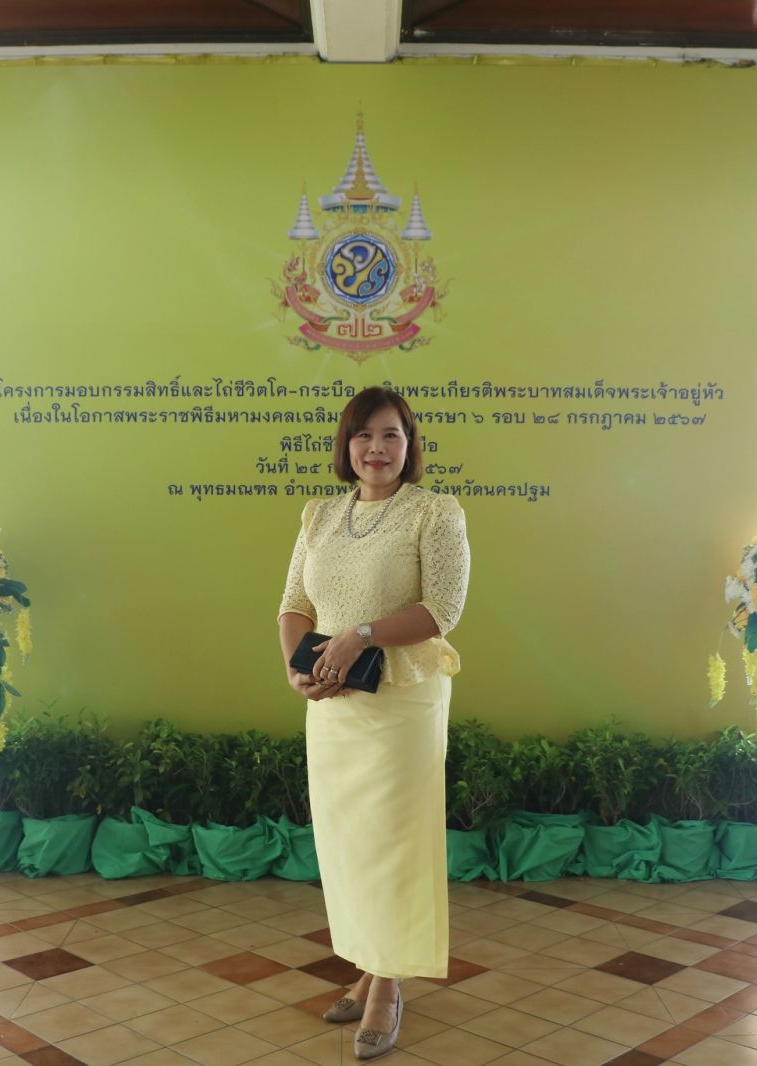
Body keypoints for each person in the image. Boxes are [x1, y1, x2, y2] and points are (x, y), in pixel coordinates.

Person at [277, 386, 470, 1062]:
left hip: (401, 701)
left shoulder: (435, 512)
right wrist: (296, 668)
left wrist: (360, 634)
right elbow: (295, 604)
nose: (377, 449)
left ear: (410, 444)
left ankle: (387, 985)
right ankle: (366, 965)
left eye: (390, 435)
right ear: (346, 446)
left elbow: (442, 608)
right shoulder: (319, 515)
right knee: (349, 842)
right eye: (363, 436)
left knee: (393, 840)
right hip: (332, 702)